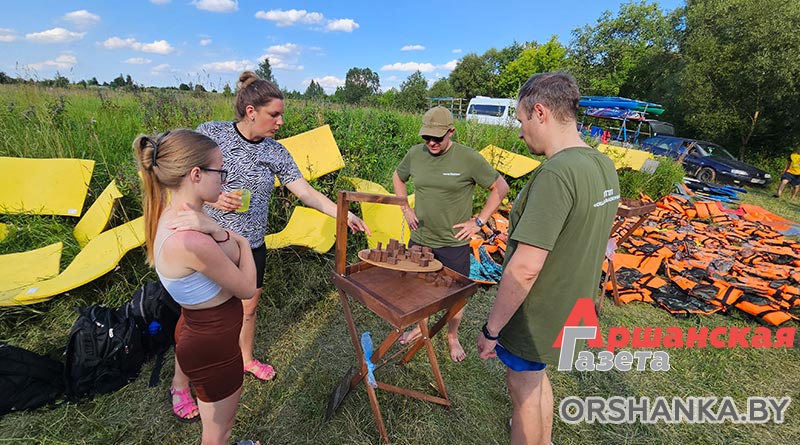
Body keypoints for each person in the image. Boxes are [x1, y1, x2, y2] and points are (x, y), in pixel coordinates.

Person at [168, 71, 370, 420]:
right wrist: (213, 200)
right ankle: (180, 383)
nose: (281, 121)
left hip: (251, 246)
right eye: (274, 114)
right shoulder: (211, 133)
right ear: (250, 111)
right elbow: (180, 175)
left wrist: (344, 214)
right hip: (210, 242)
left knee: (249, 308)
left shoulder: (276, 151)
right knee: (198, 318)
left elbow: (306, 192)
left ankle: (245, 359)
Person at [477, 72, 619, 445]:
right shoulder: (602, 165)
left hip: (539, 313)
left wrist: (492, 330)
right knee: (536, 377)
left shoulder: (556, 174)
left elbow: (525, 268)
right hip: (576, 309)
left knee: (522, 389)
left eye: (521, 120)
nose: (520, 132)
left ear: (540, 112)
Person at [135, 129, 260, 445]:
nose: (224, 181)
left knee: (218, 427)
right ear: (195, 174)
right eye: (220, 171)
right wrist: (240, 241)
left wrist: (217, 231)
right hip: (213, 347)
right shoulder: (191, 239)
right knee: (218, 433)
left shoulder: (169, 213)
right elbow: (247, 287)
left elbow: (228, 251)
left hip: (199, 333)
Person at [393, 106, 509, 362]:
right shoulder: (415, 154)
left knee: (456, 295)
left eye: (437, 137)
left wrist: (479, 221)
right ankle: (420, 327)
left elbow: (500, 187)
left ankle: (452, 336)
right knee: (419, 288)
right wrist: (405, 208)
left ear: (451, 132)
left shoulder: (468, 159)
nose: (431, 143)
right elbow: (398, 177)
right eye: (427, 137)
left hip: (453, 243)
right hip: (420, 238)